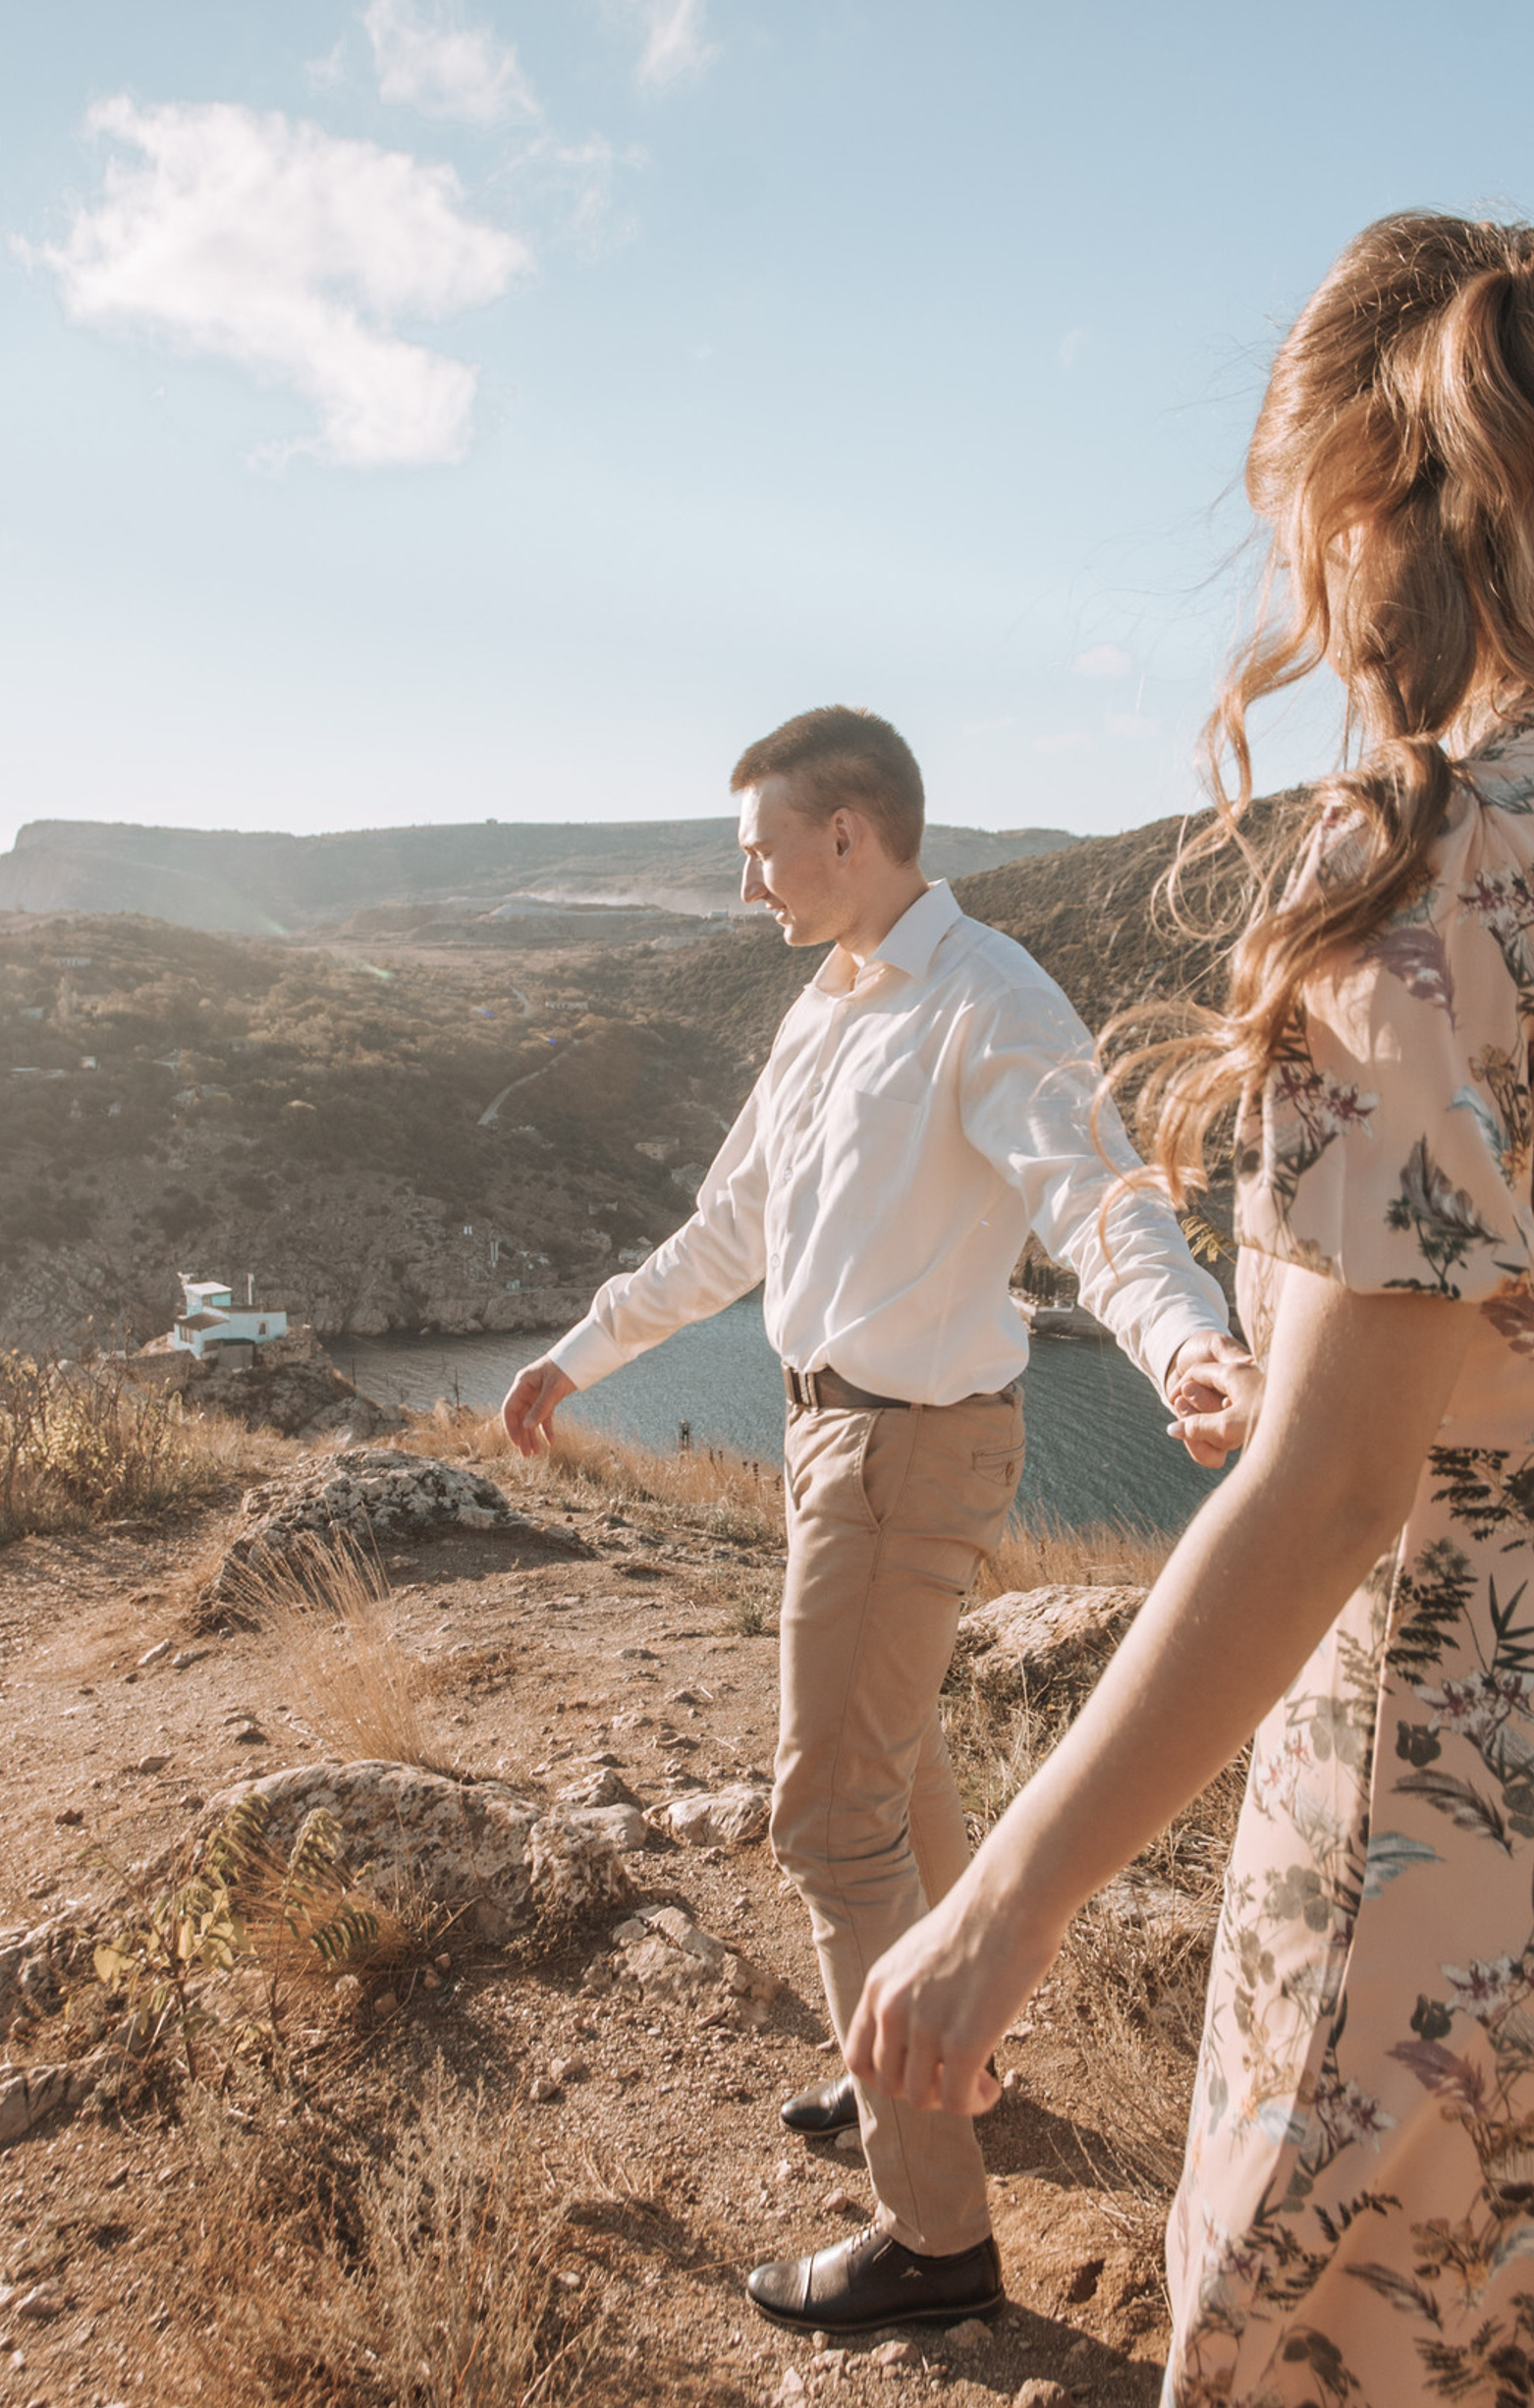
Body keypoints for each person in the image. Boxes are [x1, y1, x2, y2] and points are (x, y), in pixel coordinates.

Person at [843, 214, 1534, 2405]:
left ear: (1375, 499)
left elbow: (1338, 1489)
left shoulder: (1435, 850)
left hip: (1447, 1838)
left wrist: (994, 1905)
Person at [501, 704, 1242, 2335]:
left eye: (762, 850)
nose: (746, 883)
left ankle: (934, 2241)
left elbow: (1098, 1200)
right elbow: (725, 1234)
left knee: (828, 1824)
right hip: (829, 1437)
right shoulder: (824, 1010)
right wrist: (575, 1354)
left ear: (853, 834)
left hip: (911, 1454)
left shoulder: (990, 1000)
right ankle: (929, 2064)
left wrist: (1191, 1344)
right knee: (896, 1786)